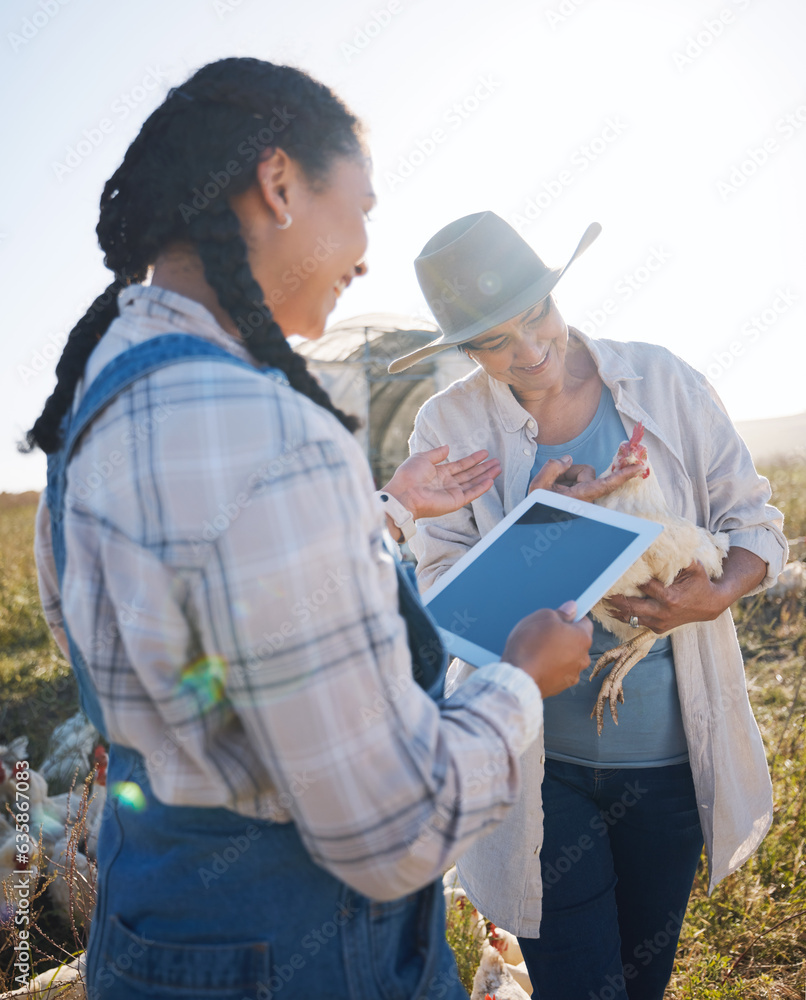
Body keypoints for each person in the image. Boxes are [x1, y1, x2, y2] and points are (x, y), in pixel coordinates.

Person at [26, 62, 595, 1000]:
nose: (366, 251)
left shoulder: (97, 394)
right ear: (281, 184)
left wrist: (388, 512)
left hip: (151, 938)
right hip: (309, 954)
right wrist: (520, 682)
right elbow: (389, 829)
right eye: (362, 206)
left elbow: (176, 618)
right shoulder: (273, 431)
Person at [391, 211, 788, 1000]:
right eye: (497, 341)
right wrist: (534, 530)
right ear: (465, 353)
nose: (532, 350)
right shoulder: (450, 427)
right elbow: (443, 605)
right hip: (541, 765)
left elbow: (756, 525)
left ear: (555, 292)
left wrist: (714, 595)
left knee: (642, 983)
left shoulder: (664, 383)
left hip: (665, 760)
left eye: (537, 315)